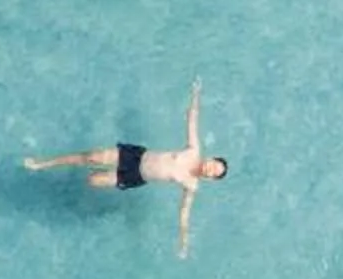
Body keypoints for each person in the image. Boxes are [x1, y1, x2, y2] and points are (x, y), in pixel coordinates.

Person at [26, 84, 228, 256]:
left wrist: (183, 239)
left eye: (214, 173)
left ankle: (64, 185)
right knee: (91, 157)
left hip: (136, 176)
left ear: (210, 178)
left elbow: (184, 211)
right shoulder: (193, 151)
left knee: (92, 181)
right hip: (137, 156)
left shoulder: (191, 184)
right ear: (210, 159)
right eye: (214, 165)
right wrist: (196, 95)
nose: (210, 169)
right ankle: (42, 164)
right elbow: (192, 120)